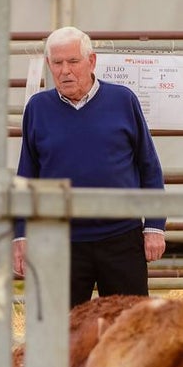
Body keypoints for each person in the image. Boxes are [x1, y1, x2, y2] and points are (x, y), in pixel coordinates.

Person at [13, 25, 166, 308]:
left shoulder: (123, 100)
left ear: (91, 61)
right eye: (57, 63)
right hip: (60, 241)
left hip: (121, 237)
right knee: (60, 330)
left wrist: (155, 226)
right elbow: (27, 175)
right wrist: (20, 233)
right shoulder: (38, 108)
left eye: (73, 61)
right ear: (49, 65)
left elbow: (149, 165)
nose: (65, 71)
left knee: (128, 325)